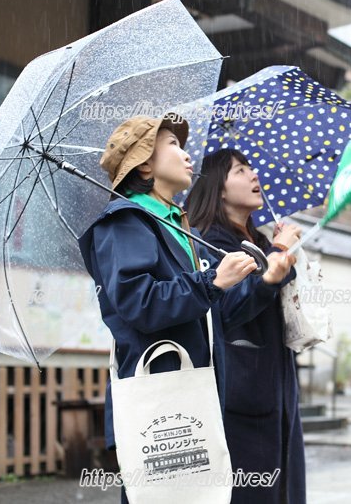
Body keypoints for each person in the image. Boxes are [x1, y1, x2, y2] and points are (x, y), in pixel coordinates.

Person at [77, 115, 295, 503]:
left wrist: (264, 282)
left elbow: (220, 313)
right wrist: (210, 281)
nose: (187, 153)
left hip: (193, 397)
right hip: (161, 403)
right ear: (145, 164)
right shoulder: (125, 222)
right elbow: (140, 304)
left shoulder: (177, 225)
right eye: (173, 146)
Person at [185, 148, 306, 504]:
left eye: (252, 169)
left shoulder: (262, 238)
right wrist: (273, 262)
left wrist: (279, 252)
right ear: (218, 188)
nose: (254, 175)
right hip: (239, 387)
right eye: (240, 170)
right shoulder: (208, 240)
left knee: (281, 486)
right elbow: (227, 310)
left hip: (277, 383)